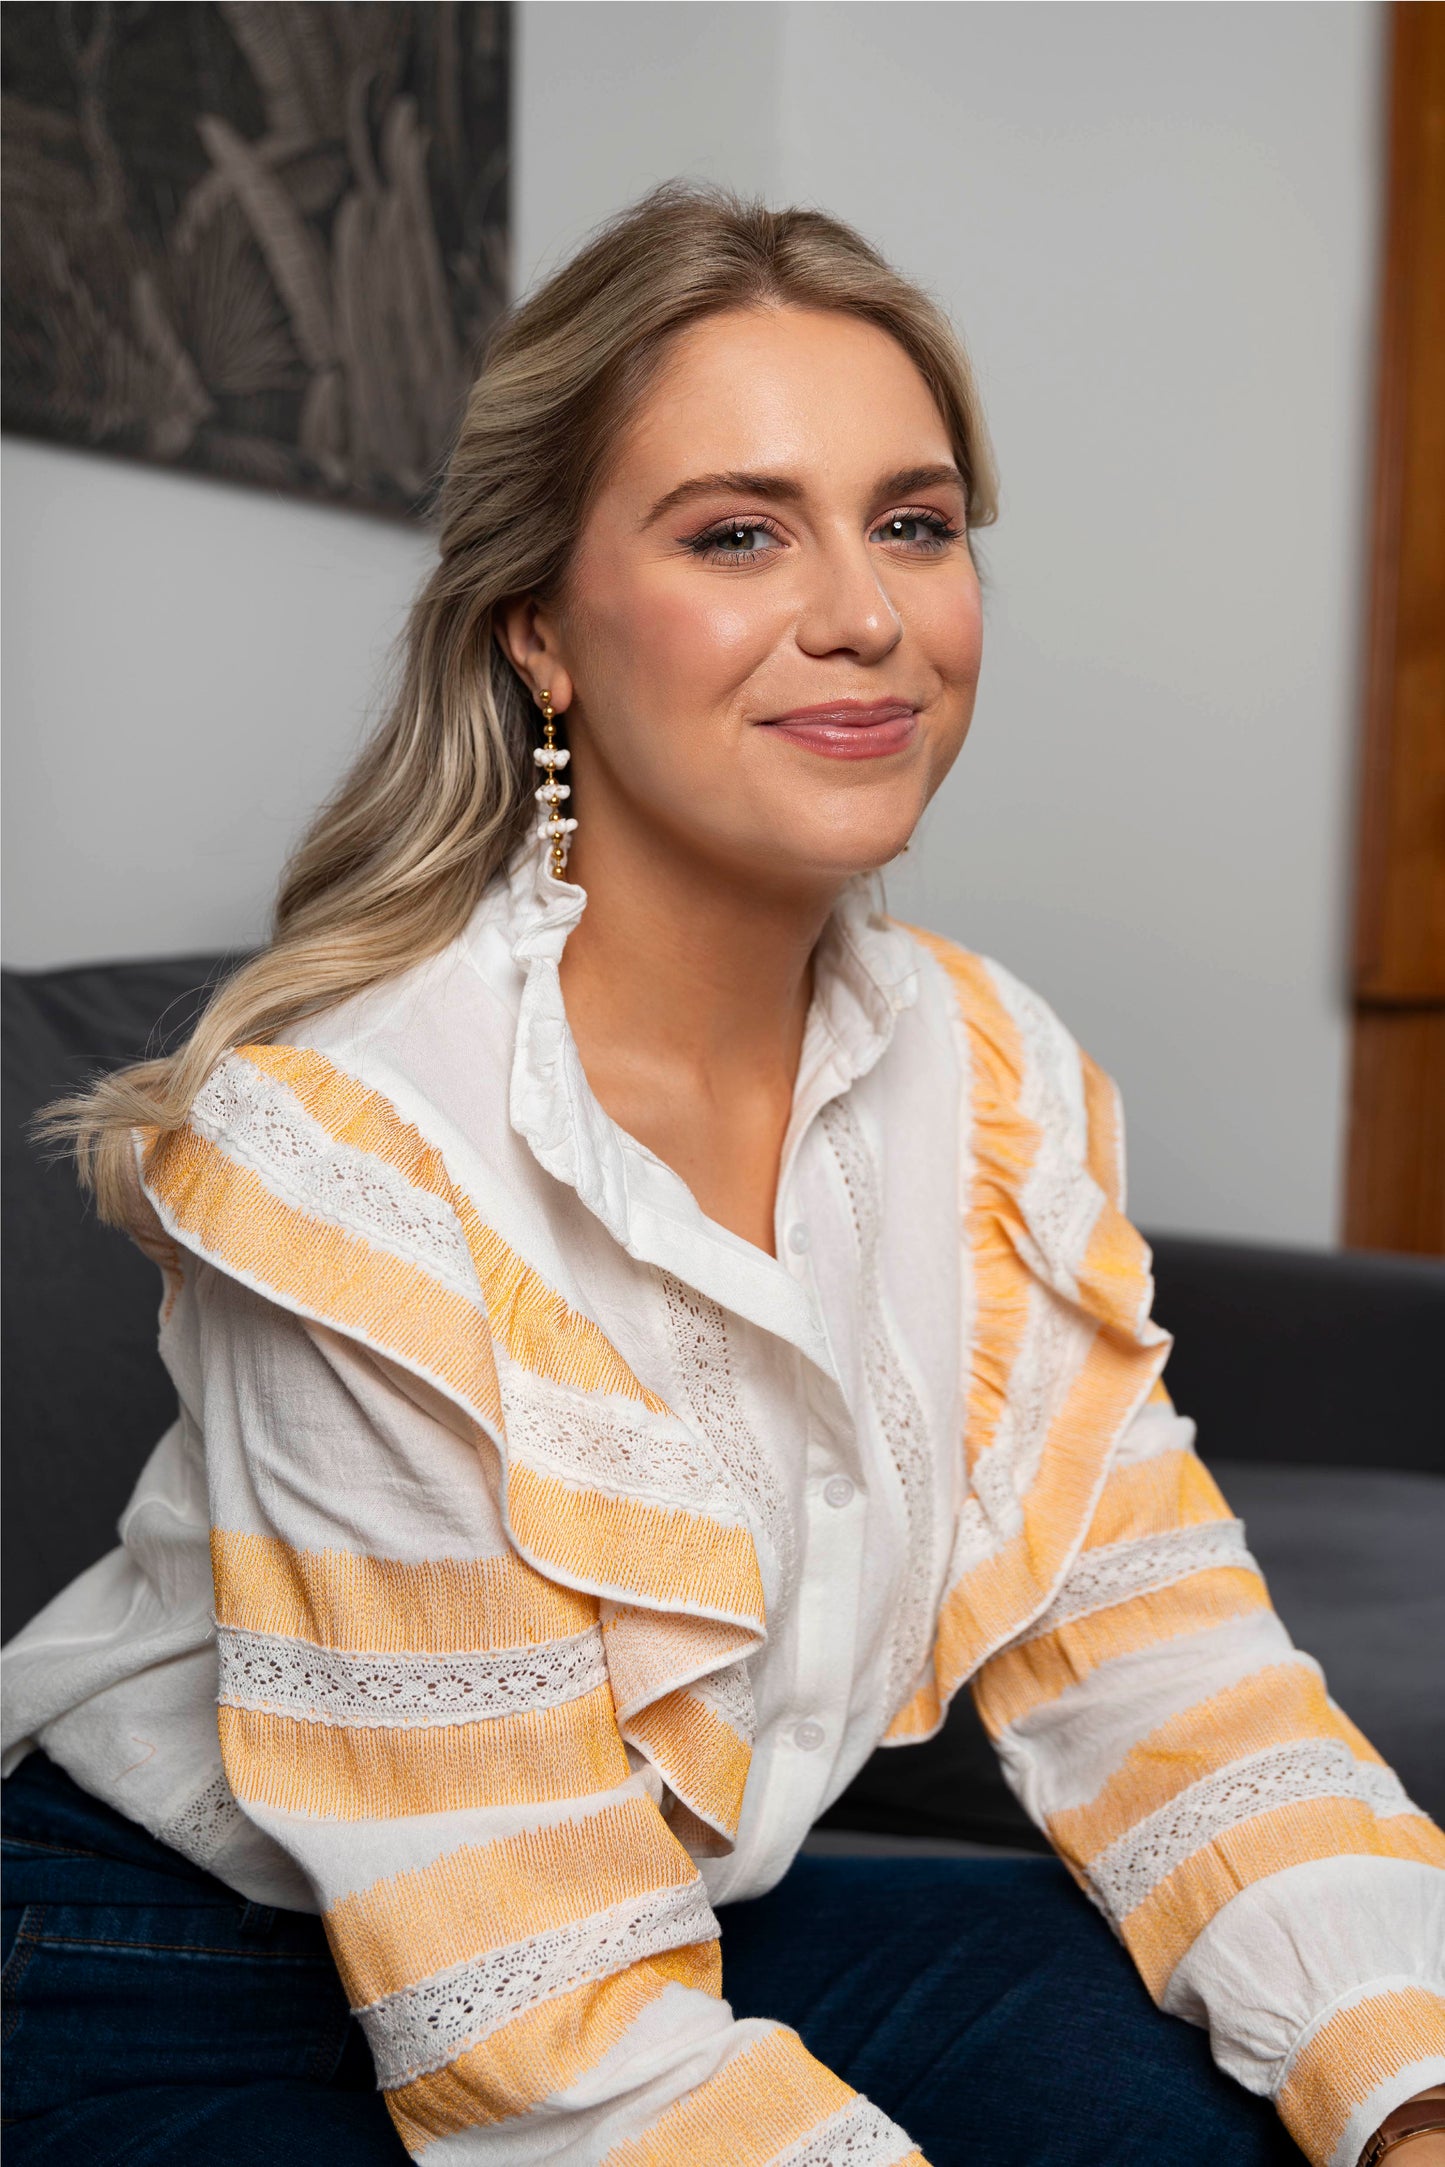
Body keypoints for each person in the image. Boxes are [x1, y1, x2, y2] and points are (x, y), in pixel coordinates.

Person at [3, 183, 1442, 2167]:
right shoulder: (357, 1156)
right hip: (175, 1969)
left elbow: (1169, 1674)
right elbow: (537, 2030)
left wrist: (1412, 2092)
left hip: (666, 1920)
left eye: (914, 523)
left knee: (1253, 2096)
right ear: (541, 631)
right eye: (738, 530)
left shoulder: (989, 1075)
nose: (864, 612)